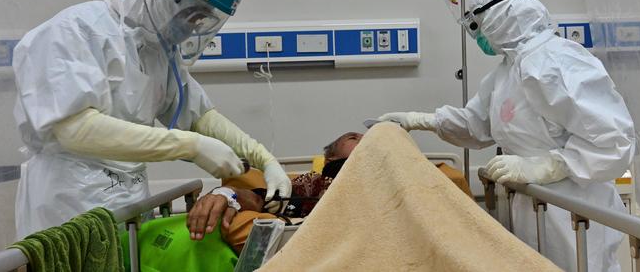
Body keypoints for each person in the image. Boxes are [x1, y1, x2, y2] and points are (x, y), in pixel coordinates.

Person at [12, 0, 291, 239]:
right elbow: (75, 129)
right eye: (191, 12)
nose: (193, 26)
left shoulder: (157, 51)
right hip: (69, 201)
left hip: (128, 200)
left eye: (203, 19)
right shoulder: (76, 30)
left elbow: (199, 117)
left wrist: (264, 160)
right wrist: (191, 146)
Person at [378, 0, 635, 272]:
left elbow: (613, 140)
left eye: (477, 25)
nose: (477, 36)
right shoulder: (504, 74)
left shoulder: (559, 62)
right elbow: (476, 125)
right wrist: (421, 120)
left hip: (574, 213)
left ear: (501, 17)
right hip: (531, 207)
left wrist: (548, 166)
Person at [187, 130, 472, 252]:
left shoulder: (419, 174)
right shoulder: (313, 184)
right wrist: (226, 196)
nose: (366, 138)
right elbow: (258, 198)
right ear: (333, 159)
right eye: (353, 137)